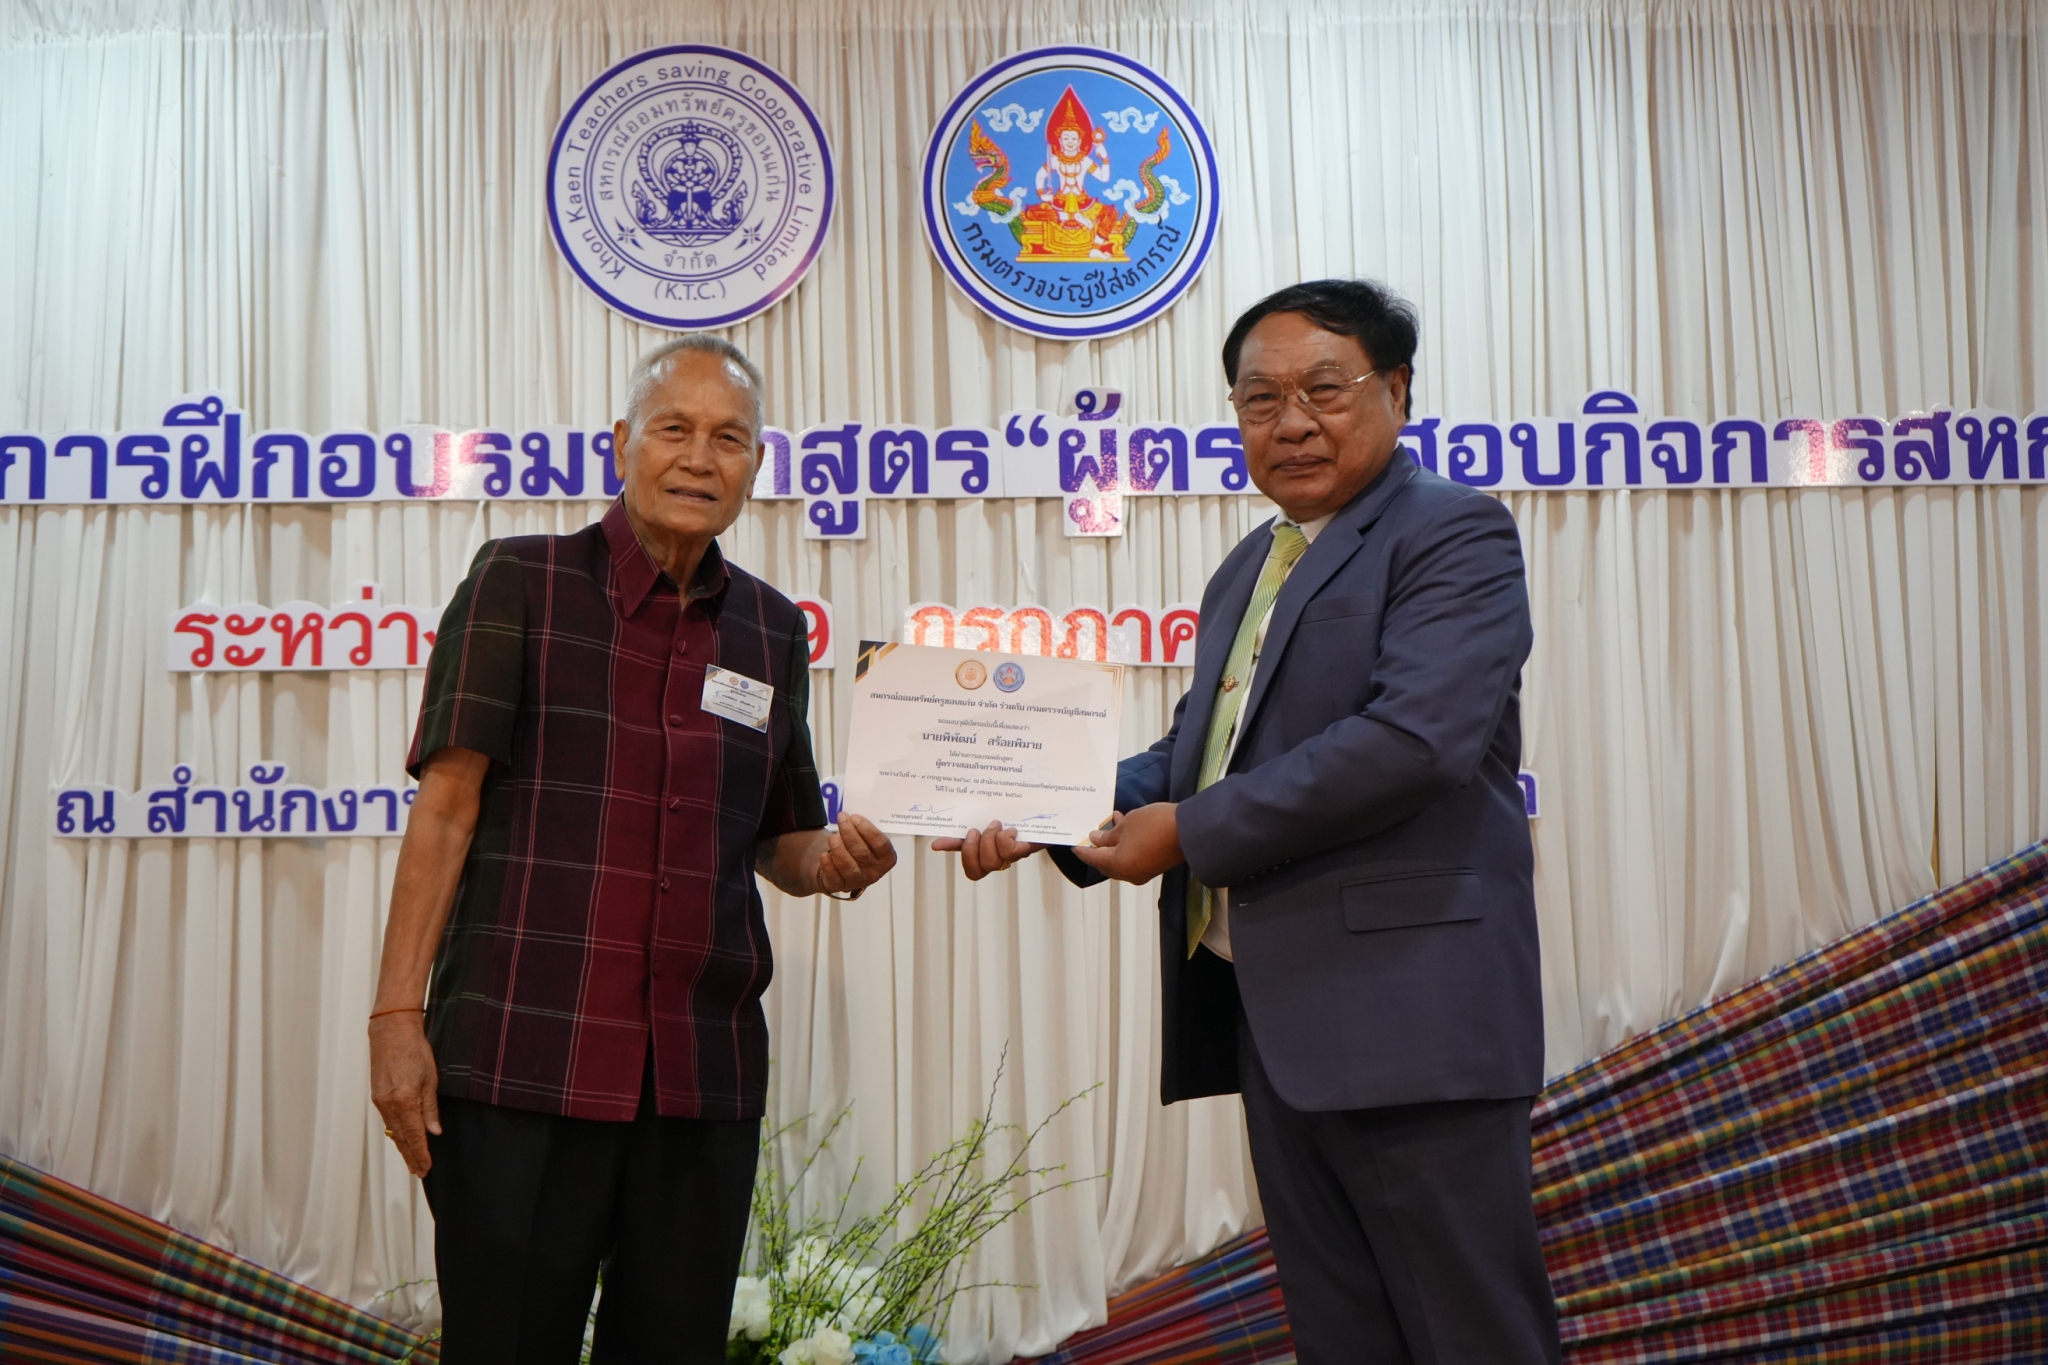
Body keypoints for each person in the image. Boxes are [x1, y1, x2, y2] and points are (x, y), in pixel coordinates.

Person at [936, 280, 1562, 1363]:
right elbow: (1198, 750)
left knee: (1469, 1333)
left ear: (1397, 390)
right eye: (1261, 398)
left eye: (1325, 389)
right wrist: (1043, 806)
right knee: (1343, 1334)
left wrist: (1187, 832)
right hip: (1281, 1016)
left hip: (1409, 1016)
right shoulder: (1253, 563)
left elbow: (1412, 742)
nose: (1291, 422)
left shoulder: (1450, 530)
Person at [368, 335, 898, 1364]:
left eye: (729, 439)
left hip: (701, 1075)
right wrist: (396, 1016)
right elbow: (445, 808)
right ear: (621, 443)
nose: (699, 458)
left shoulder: (771, 630)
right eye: (673, 429)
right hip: (523, 1057)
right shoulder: (520, 581)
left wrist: (835, 864)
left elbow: (782, 841)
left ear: (757, 464)